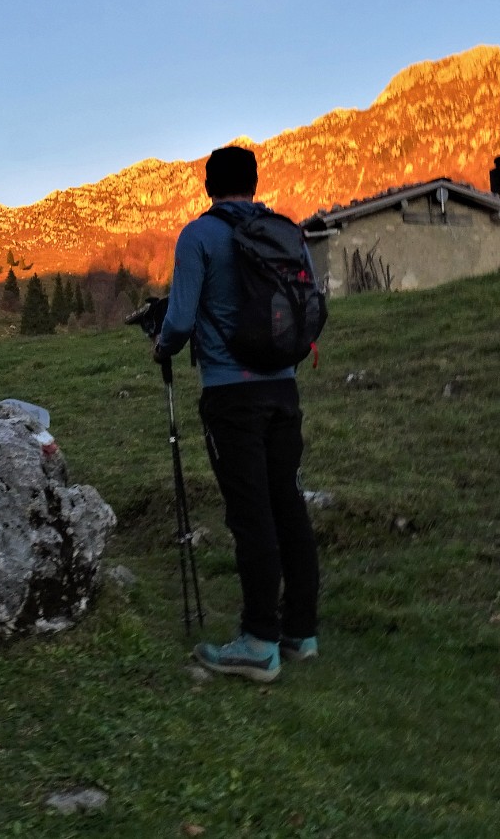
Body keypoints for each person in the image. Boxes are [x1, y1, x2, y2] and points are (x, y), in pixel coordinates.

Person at [153, 146, 320, 683]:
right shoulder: (284, 232)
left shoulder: (198, 236)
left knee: (250, 515)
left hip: (230, 393)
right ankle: (300, 632)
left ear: (208, 186)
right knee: (287, 504)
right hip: (284, 390)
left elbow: (179, 321)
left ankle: (258, 642)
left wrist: (162, 345)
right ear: (253, 184)